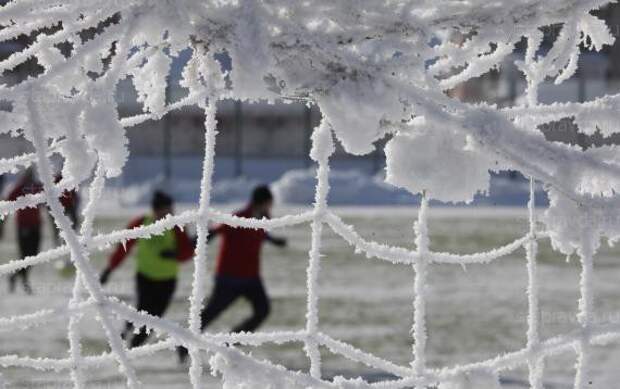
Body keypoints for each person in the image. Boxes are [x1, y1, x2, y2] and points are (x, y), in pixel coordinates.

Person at [178, 185, 287, 363]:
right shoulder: (239, 217)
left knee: (263, 310)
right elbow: (216, 230)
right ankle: (184, 344)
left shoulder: (264, 218)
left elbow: (262, 234)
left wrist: (275, 241)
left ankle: (230, 342)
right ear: (263, 202)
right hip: (229, 278)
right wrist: (195, 241)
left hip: (252, 278)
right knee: (210, 313)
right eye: (270, 202)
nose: (271, 206)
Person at [99, 191, 193, 349]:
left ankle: (133, 347)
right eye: (168, 210)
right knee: (141, 311)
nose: (171, 213)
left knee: (155, 318)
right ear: (157, 210)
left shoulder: (176, 227)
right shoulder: (141, 222)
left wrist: (175, 254)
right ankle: (123, 335)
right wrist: (109, 269)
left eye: (172, 209)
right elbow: (123, 248)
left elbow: (188, 253)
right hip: (145, 278)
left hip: (167, 280)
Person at [5, 168, 43, 294]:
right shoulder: (19, 188)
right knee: (25, 256)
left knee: (34, 255)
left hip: (36, 225)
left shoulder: (37, 187)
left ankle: (14, 276)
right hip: (23, 226)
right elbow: (7, 202)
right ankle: (25, 283)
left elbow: (48, 200)